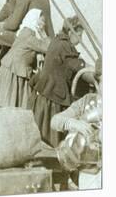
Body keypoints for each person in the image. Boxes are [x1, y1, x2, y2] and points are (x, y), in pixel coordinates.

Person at [27, 16, 87, 147]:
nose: (81, 39)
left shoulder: (58, 40)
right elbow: (76, 66)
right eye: (80, 35)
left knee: (41, 131)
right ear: (71, 32)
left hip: (44, 92)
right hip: (53, 96)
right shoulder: (65, 46)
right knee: (51, 135)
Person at [51, 59, 101, 190]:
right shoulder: (86, 101)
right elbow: (55, 121)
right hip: (88, 173)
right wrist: (73, 123)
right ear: (97, 83)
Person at [0, 9, 51, 108]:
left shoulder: (24, 32)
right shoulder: (29, 36)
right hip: (14, 73)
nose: (44, 24)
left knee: (10, 104)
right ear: (34, 21)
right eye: (42, 21)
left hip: (10, 69)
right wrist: (44, 34)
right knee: (11, 106)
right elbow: (48, 48)